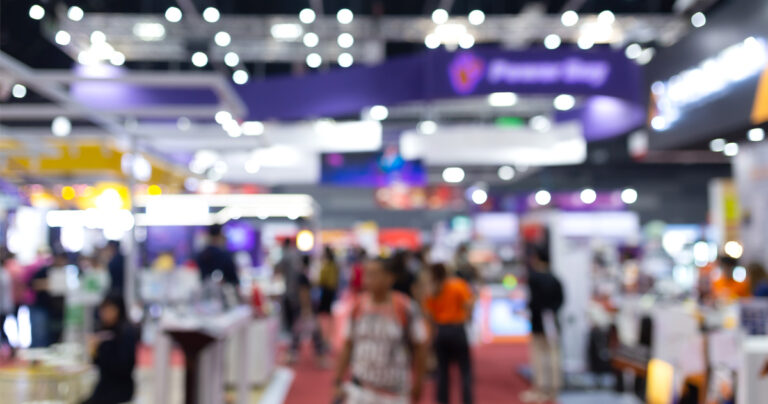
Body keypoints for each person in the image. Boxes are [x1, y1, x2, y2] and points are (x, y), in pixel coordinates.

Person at [333, 257, 428, 404]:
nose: (367, 280)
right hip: (361, 390)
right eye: (366, 274)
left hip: (395, 393)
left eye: (373, 274)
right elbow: (348, 344)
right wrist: (338, 381)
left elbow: (420, 346)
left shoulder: (405, 307)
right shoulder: (357, 306)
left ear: (389, 278)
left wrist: (418, 382)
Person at [424, 263, 475, 404]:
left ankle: (442, 400)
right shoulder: (458, 285)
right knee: (465, 370)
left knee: (442, 370)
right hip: (458, 330)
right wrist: (467, 317)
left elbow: (429, 315)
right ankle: (467, 400)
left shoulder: (432, 290)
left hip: (441, 331)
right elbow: (468, 304)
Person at [521, 247, 564, 403]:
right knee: (553, 354)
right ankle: (554, 387)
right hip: (552, 322)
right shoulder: (555, 278)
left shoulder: (534, 278)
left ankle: (541, 388)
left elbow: (533, 302)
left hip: (539, 323)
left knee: (539, 355)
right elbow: (561, 300)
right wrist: (551, 312)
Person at [82, 294, 138, 404]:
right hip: (104, 387)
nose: (105, 313)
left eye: (109, 309)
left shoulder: (126, 332)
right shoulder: (103, 330)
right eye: (103, 309)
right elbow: (98, 364)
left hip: (119, 389)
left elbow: (124, 366)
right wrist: (94, 350)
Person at [289, 255, 328, 366]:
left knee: (297, 332)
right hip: (304, 308)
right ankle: (319, 356)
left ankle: (293, 354)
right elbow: (304, 293)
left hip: (300, 308)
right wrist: (306, 308)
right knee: (315, 332)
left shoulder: (300, 275)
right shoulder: (303, 276)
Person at [30, 252, 70, 347]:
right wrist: (48, 284)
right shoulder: (44, 270)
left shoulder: (65, 272)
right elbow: (32, 284)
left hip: (58, 309)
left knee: (55, 334)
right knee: (40, 335)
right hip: (42, 307)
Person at [276, 238, 303, 363]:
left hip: (291, 294)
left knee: (291, 324)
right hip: (297, 294)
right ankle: (293, 350)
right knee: (295, 323)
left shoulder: (286, 255)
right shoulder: (296, 255)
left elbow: (277, 268)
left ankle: (292, 351)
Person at [318, 246, 340, 315]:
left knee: (325, 309)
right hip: (331, 287)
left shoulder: (327, 266)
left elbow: (322, 278)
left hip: (327, 288)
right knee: (328, 308)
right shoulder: (334, 265)